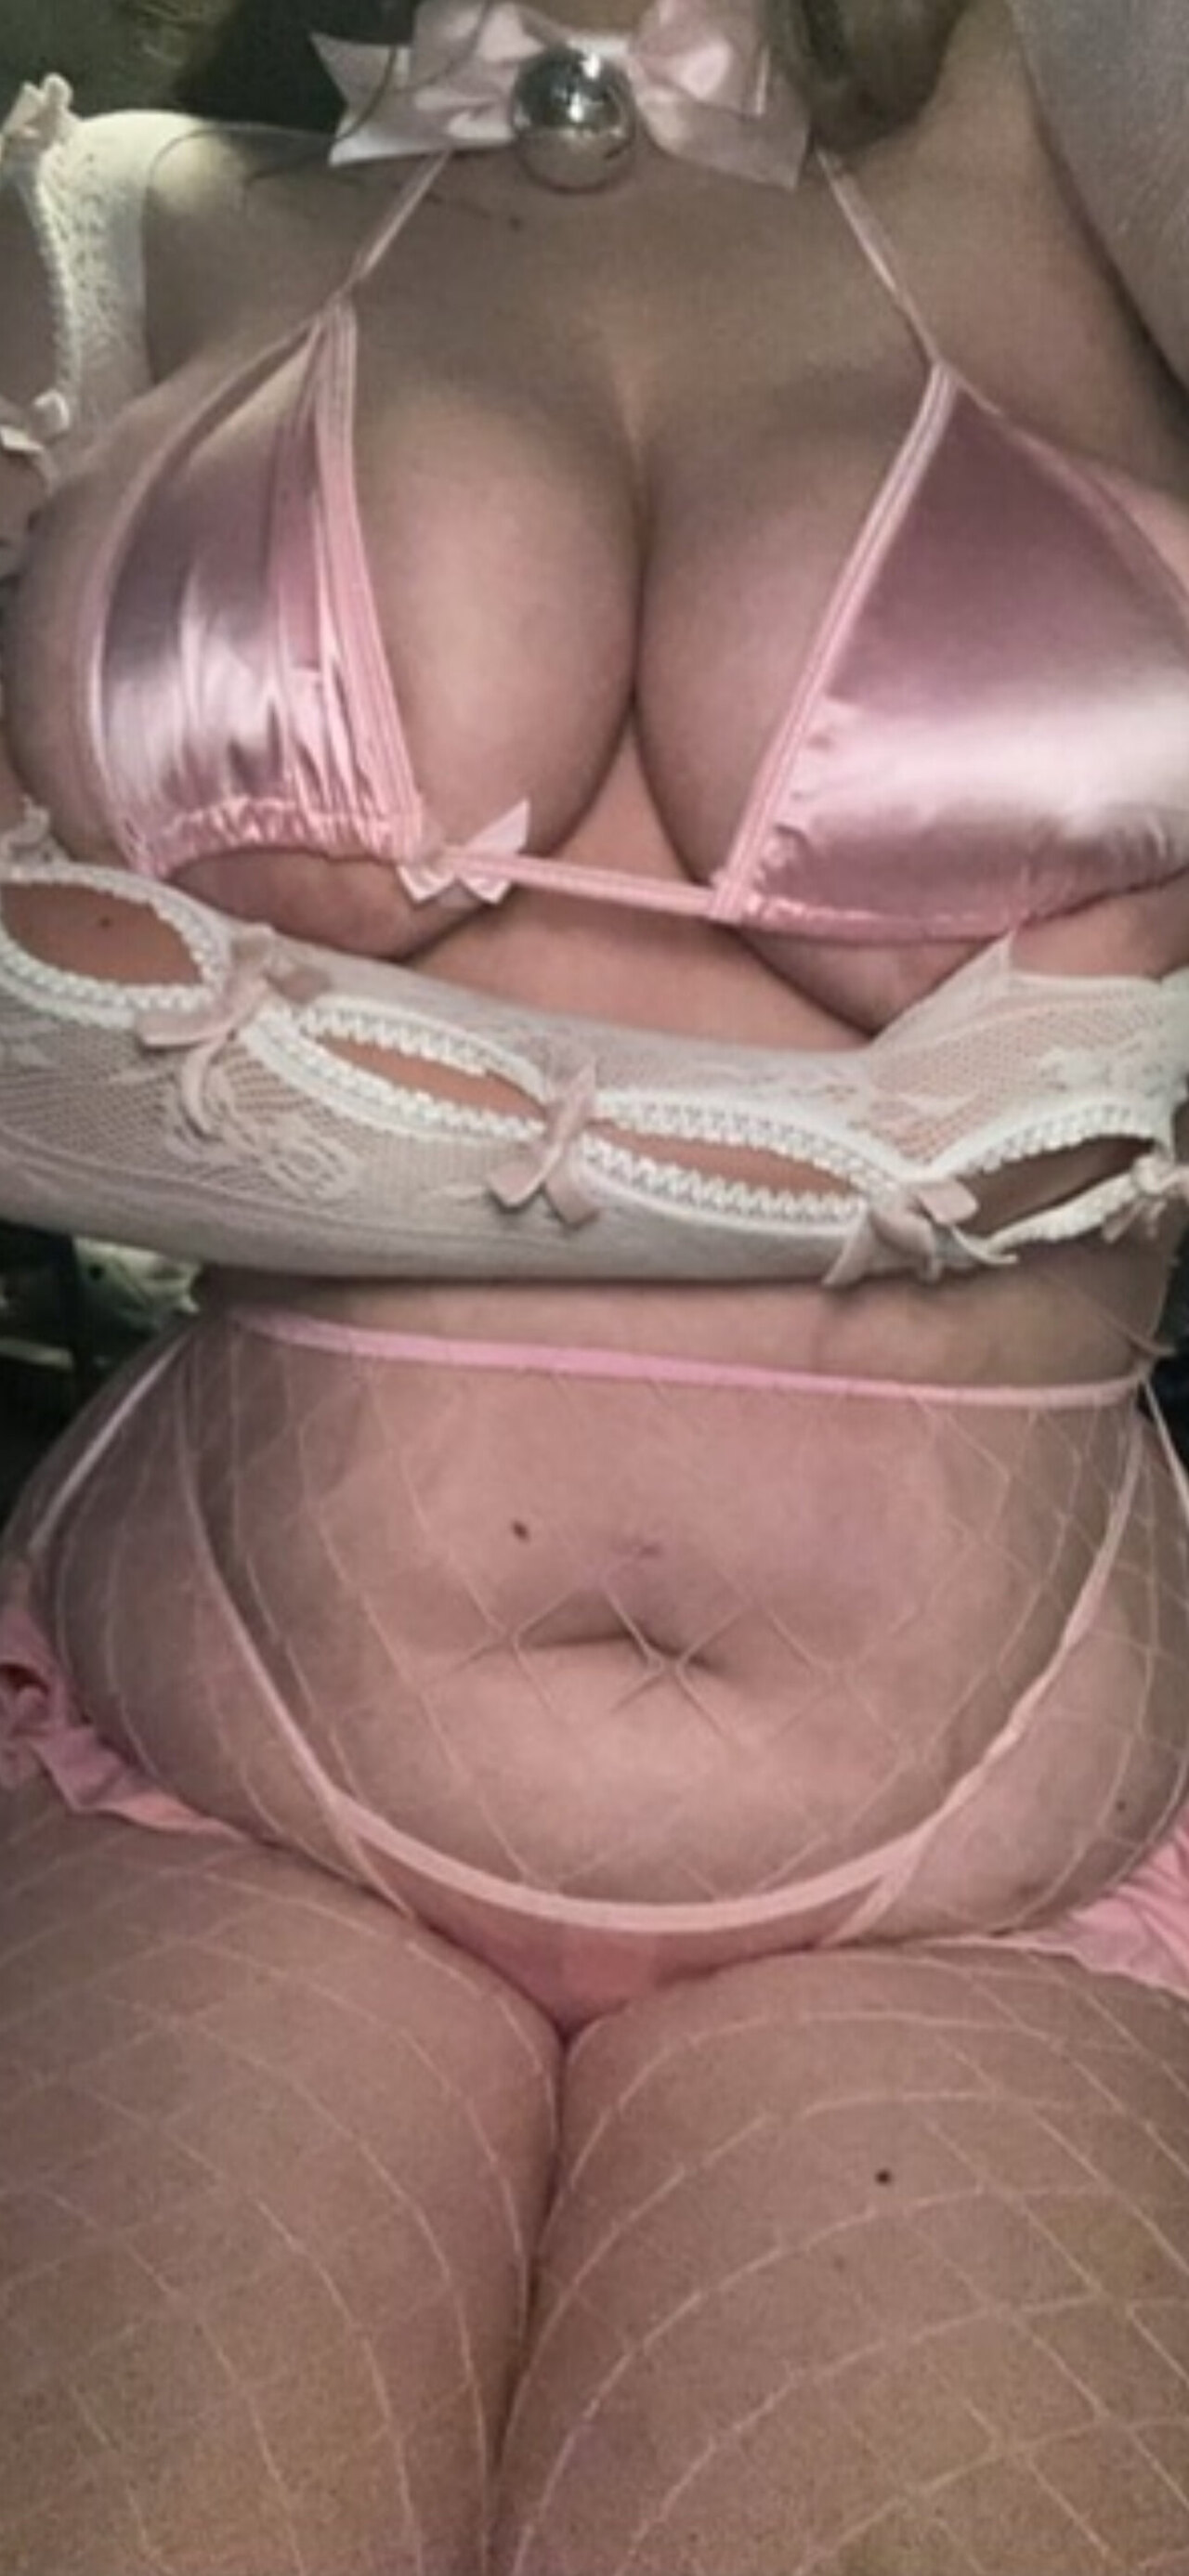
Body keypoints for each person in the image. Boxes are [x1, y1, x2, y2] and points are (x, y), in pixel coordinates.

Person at [2, 0, 1189, 2565]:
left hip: (972, 1880)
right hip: (241, 1784)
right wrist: (922, 1152)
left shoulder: (1097, 146)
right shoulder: (117, 224)